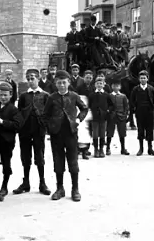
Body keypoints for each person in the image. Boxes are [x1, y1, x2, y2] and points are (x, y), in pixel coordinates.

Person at [43, 70, 88, 202]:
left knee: (73, 162)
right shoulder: (52, 98)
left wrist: (78, 120)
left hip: (71, 134)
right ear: (55, 84)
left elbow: (84, 109)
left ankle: (75, 189)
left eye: (64, 82)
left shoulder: (74, 96)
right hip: (56, 134)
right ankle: (60, 188)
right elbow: (45, 115)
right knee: (58, 162)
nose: (62, 85)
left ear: (68, 83)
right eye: (59, 83)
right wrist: (50, 127)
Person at [14, 69, 51, 196]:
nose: (30, 81)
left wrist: (45, 126)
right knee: (25, 156)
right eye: (28, 78)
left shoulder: (45, 95)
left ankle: (42, 183)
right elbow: (19, 113)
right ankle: (26, 183)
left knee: (39, 156)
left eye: (33, 78)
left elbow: (48, 114)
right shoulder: (24, 96)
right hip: (25, 131)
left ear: (39, 78)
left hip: (38, 131)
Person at [130, 70, 154, 156]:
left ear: (147, 79)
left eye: (144, 78)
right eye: (141, 78)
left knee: (150, 130)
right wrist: (135, 109)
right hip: (140, 112)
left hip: (149, 112)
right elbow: (132, 100)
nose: (143, 80)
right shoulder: (136, 89)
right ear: (139, 79)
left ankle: (150, 148)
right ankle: (141, 148)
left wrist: (153, 108)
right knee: (141, 130)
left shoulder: (151, 88)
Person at [88, 76, 113, 158]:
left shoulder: (106, 95)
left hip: (103, 116)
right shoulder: (92, 95)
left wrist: (108, 111)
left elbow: (111, 105)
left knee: (102, 133)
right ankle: (96, 149)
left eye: (101, 83)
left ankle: (101, 149)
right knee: (95, 133)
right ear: (95, 85)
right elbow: (89, 105)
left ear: (103, 85)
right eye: (97, 83)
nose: (99, 85)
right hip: (94, 117)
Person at [107, 80, 129, 155]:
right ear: (112, 86)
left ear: (120, 87)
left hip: (121, 116)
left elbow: (126, 107)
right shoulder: (109, 95)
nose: (116, 87)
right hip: (112, 117)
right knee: (110, 132)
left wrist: (125, 115)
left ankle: (123, 148)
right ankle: (108, 148)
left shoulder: (123, 96)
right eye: (114, 86)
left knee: (122, 133)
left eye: (117, 86)